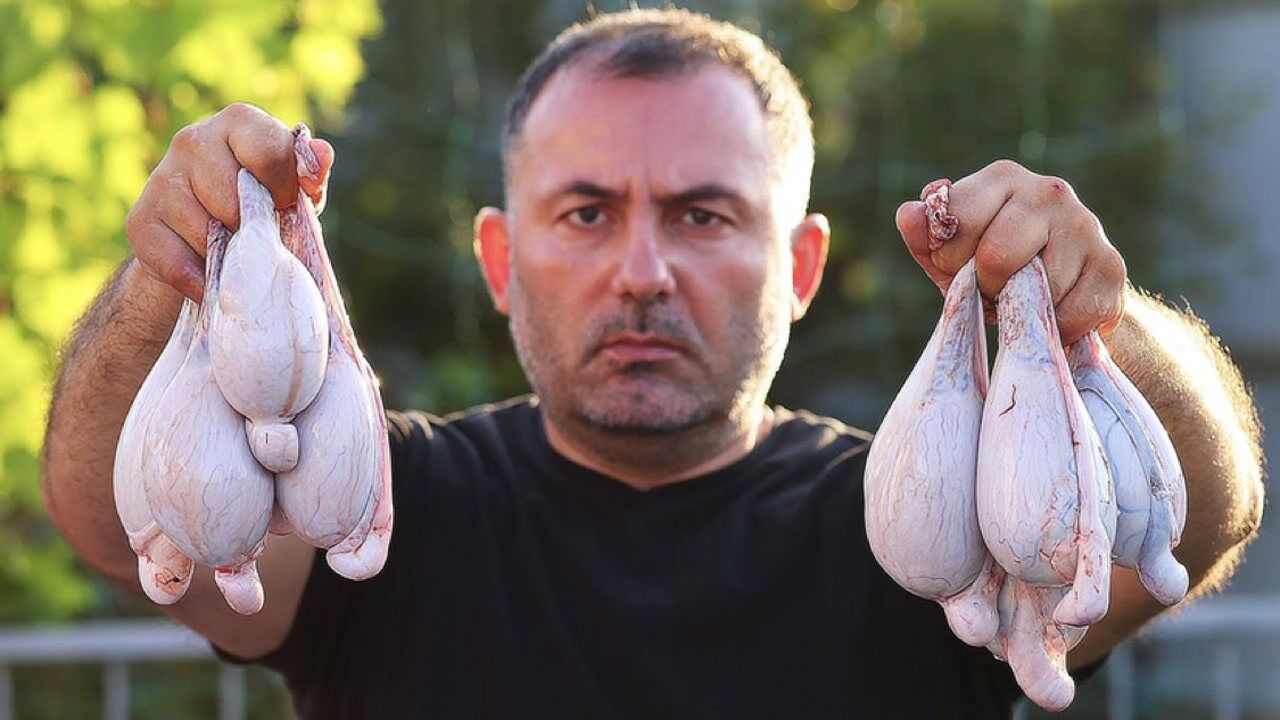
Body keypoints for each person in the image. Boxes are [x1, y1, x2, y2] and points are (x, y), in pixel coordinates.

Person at [41, 8, 1264, 720]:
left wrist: (1094, 320)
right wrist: (171, 274)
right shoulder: (377, 508)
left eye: (701, 215)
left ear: (798, 266)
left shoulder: (921, 526)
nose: (642, 270)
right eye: (582, 214)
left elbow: (1193, 522)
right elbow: (112, 524)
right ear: (500, 260)